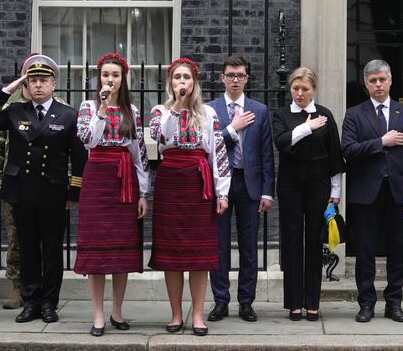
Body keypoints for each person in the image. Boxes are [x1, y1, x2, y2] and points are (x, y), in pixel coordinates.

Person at [0, 54, 87, 324]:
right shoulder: (16, 111)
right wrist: (9, 89)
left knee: (52, 251)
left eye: (44, 80)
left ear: (53, 85)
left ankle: (49, 303)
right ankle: (30, 302)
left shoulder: (68, 115)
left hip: (53, 192)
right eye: (33, 80)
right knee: (27, 249)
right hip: (22, 191)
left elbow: (80, 158)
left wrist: (74, 193)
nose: (38, 85)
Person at [149, 57, 230, 336]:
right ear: (170, 82)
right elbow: (158, 136)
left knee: (199, 255)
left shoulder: (208, 114)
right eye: (177, 77)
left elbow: (217, 155)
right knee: (171, 255)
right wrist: (177, 107)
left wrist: (222, 193)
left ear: (194, 83)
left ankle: (197, 314)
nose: (181, 82)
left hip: (198, 183)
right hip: (170, 182)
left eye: (186, 78)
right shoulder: (160, 111)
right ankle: (175, 314)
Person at [341, 59, 403, 323]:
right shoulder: (354, 114)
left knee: (397, 251)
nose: (378, 85)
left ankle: (394, 303)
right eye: (373, 81)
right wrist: (381, 142)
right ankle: (366, 304)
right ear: (366, 84)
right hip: (365, 194)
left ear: (390, 81)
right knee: (365, 251)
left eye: (382, 80)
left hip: (398, 193)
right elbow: (348, 151)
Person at [73, 53, 150, 336]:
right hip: (97, 179)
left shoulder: (132, 111)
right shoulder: (87, 107)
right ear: (99, 78)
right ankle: (98, 315)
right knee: (96, 252)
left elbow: (139, 153)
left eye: (115, 75)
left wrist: (143, 192)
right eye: (106, 74)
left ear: (122, 79)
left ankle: (117, 311)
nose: (110, 79)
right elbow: (88, 140)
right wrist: (102, 109)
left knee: (122, 250)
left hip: (124, 181)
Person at [272, 67, 345, 321]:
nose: (299, 94)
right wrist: (307, 126)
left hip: (318, 185)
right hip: (290, 185)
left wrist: (335, 191)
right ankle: (294, 303)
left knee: (315, 241)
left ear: (313, 89)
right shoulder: (281, 114)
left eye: (305, 89)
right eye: (295, 88)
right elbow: (281, 142)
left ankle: (312, 302)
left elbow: (335, 154)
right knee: (292, 241)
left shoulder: (325, 114)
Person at [207, 56, 274, 323]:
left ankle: (246, 301)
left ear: (247, 79)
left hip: (250, 183)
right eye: (231, 75)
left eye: (240, 75)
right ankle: (220, 300)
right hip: (221, 183)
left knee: (249, 246)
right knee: (219, 245)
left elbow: (266, 154)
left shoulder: (260, 110)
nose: (235, 80)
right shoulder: (210, 110)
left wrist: (268, 191)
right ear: (222, 78)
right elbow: (209, 146)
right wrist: (232, 129)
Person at [0, 53, 41, 310]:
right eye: (29, 73)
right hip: (16, 184)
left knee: (43, 240)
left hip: (44, 186)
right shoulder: (12, 108)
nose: (36, 79)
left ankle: (40, 290)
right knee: (16, 240)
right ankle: (16, 288)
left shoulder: (59, 106)